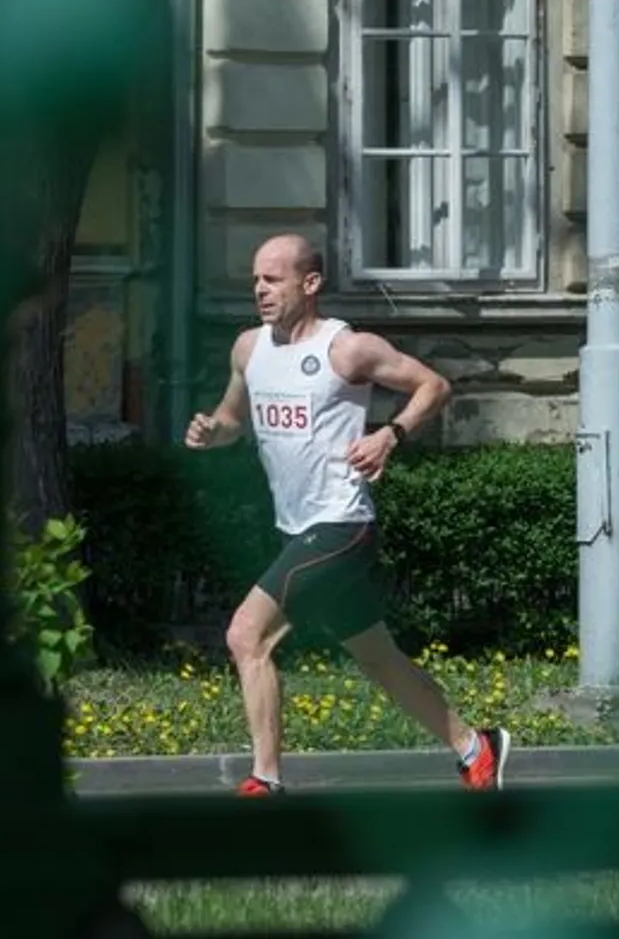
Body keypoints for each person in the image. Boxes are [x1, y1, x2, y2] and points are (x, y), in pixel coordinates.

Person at [183, 233, 510, 796]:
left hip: (341, 525)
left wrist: (390, 433)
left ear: (310, 284)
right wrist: (213, 432)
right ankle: (475, 747)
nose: (260, 290)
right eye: (256, 279)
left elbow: (434, 385)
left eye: (273, 279)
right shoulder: (248, 349)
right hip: (297, 526)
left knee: (246, 636)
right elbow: (234, 417)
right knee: (379, 658)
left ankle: (266, 780)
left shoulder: (347, 349)